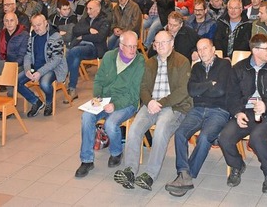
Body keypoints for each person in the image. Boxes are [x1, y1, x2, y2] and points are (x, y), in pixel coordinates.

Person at [113, 30, 192, 191]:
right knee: (134, 128)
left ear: (172, 43)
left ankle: (149, 175)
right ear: (154, 45)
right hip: (151, 105)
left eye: (164, 42)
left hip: (173, 106)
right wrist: (149, 101)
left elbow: (183, 91)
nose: (160, 45)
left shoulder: (182, 61)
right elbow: (143, 87)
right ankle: (130, 170)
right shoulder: (150, 63)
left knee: (161, 129)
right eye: (157, 43)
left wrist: (160, 103)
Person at [218, 34, 267, 193]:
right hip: (246, 112)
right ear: (255, 51)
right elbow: (231, 96)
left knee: (256, 138)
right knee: (224, 137)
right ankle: (237, 165)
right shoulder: (239, 68)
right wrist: (237, 112)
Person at [165, 38, 232, 197]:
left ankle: (188, 175)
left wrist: (202, 88)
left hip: (219, 110)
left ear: (213, 49)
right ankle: (183, 172)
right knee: (180, 133)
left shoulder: (224, 65)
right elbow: (191, 91)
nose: (202, 52)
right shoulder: (196, 68)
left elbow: (221, 90)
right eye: (199, 49)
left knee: (204, 137)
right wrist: (210, 84)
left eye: (205, 48)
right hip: (198, 108)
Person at [75, 31, 145, 177]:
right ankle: (87, 160)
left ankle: (116, 152)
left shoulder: (140, 62)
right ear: (121, 46)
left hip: (127, 102)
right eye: (129, 46)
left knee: (111, 124)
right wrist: (98, 97)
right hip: (104, 100)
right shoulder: (109, 57)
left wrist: (115, 105)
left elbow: (134, 94)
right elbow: (99, 79)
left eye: (135, 46)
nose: (133, 50)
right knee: (87, 117)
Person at [18, 14, 67, 117]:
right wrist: (27, 69)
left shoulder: (56, 37)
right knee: (16, 82)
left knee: (44, 83)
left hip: (53, 68)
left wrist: (40, 72)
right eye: (34, 25)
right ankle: (36, 101)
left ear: (45, 23)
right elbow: (28, 55)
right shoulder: (33, 36)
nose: (36, 28)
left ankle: (49, 102)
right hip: (35, 66)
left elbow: (56, 60)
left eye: (39, 25)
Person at [66, 0, 110, 100]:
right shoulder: (85, 19)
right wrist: (88, 31)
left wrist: (83, 37)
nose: (88, 11)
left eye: (90, 9)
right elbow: (75, 30)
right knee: (75, 56)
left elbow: (100, 37)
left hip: (94, 48)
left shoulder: (105, 20)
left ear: (98, 10)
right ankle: (72, 87)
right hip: (80, 47)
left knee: (73, 51)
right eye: (87, 9)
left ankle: (66, 79)